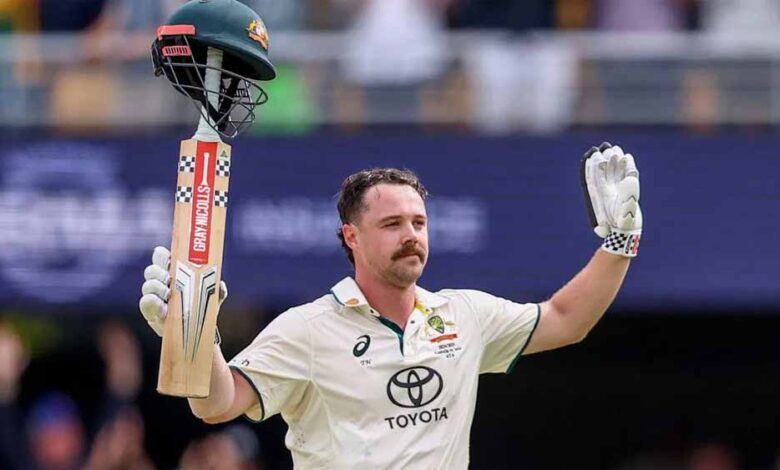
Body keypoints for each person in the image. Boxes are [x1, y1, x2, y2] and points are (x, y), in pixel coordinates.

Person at [140, 143, 643, 468]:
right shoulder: (308, 329)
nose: (411, 236)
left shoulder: (464, 315)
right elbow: (216, 404)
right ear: (351, 237)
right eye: (392, 224)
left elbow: (566, 320)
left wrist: (620, 243)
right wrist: (191, 333)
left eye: (419, 223)